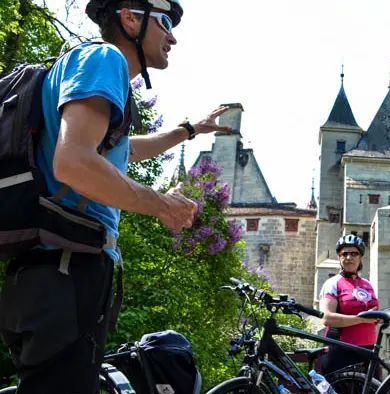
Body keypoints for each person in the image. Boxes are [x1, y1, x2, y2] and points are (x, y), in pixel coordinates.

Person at [0, 1, 234, 392]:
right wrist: (162, 205)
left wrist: (189, 130)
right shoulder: (104, 58)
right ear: (130, 19)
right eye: (164, 22)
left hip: (47, 275)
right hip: (67, 273)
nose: (173, 37)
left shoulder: (90, 70)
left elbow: (124, 149)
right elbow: (74, 162)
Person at [319, 234, 379, 376]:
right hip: (341, 350)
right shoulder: (332, 283)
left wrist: (378, 318)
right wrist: (362, 319)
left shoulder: (367, 284)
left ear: (360, 257)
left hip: (368, 350)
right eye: (344, 254)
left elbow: (372, 317)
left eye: (354, 253)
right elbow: (326, 318)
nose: (348, 258)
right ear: (339, 257)